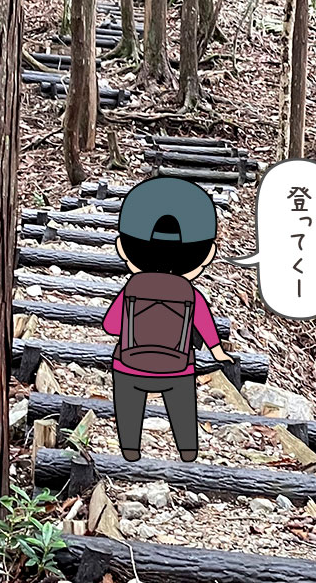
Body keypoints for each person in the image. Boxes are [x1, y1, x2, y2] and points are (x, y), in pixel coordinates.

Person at [101, 177, 235, 461]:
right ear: (207, 254)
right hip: (178, 369)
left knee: (128, 405)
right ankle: (187, 450)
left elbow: (110, 325)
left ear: (124, 249)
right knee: (183, 409)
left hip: (129, 366)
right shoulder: (190, 292)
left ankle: (130, 450)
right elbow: (206, 327)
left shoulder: (131, 288)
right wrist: (218, 352)